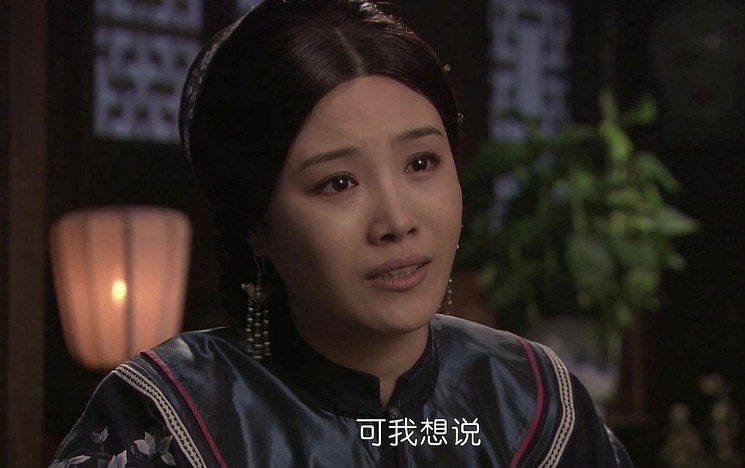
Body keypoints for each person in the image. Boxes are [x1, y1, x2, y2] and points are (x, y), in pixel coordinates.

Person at [51, 1, 633, 466]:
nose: (397, 221)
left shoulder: (534, 403)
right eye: (338, 183)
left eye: (421, 163)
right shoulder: (171, 417)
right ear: (256, 224)